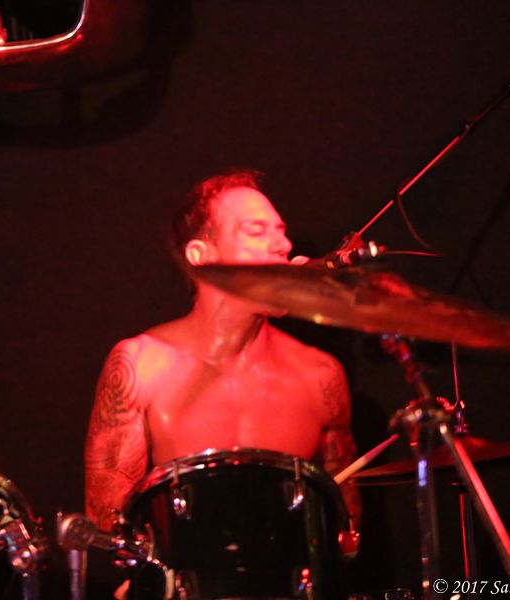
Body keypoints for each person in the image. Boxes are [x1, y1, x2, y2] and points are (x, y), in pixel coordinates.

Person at [84, 169, 360, 540]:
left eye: (281, 232)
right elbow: (108, 524)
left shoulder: (321, 375)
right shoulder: (140, 366)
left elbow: (345, 527)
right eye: (256, 231)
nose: (283, 245)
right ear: (201, 256)